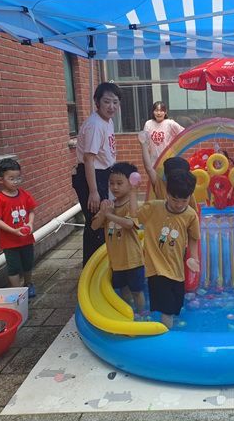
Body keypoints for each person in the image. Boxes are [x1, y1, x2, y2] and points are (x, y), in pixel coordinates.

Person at [129, 169, 201, 329]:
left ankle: (167, 329)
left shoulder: (190, 215)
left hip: (176, 270)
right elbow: (134, 214)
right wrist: (133, 191)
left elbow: (193, 237)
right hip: (157, 269)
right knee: (167, 310)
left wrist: (193, 257)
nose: (179, 205)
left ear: (190, 196)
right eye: (175, 200)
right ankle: (166, 338)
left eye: (184, 200)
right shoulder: (154, 208)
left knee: (176, 306)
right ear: (167, 193)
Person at [72, 82, 121, 267]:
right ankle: (92, 270)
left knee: (103, 221)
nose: (111, 106)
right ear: (97, 102)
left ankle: (101, 266)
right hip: (92, 176)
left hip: (103, 175)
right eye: (107, 102)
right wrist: (93, 191)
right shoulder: (95, 125)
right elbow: (89, 159)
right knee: (96, 223)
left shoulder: (108, 121)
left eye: (115, 102)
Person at [91, 162, 146, 313]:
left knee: (137, 291)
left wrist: (109, 215)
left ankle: (141, 313)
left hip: (133, 259)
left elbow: (128, 223)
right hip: (116, 260)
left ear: (130, 185)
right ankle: (127, 311)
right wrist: (104, 214)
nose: (114, 187)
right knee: (123, 288)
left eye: (119, 183)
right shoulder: (109, 205)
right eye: (111, 183)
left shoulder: (132, 205)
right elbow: (94, 226)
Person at [0, 159, 38, 297]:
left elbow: (31, 211)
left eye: (18, 178)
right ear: (0, 180)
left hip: (26, 239)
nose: (16, 181)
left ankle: (28, 284)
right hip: (9, 242)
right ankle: (17, 292)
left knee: (28, 264)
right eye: (11, 178)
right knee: (14, 267)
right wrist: (14, 231)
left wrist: (30, 224)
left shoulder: (24, 194)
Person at [139, 135, 199, 212]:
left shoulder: (186, 191)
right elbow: (149, 169)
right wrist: (144, 145)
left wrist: (144, 145)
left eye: (184, 201)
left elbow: (194, 213)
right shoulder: (161, 185)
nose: (179, 205)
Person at [142, 101, 185, 167]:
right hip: (154, 162)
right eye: (156, 110)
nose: (159, 113)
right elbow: (145, 143)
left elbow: (184, 134)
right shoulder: (148, 124)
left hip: (169, 162)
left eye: (161, 111)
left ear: (165, 112)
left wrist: (176, 146)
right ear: (153, 112)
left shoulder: (170, 124)